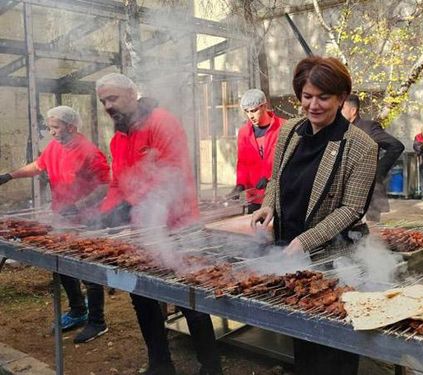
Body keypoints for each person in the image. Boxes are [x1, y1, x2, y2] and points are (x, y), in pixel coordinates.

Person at [251, 56, 378, 375]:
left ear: (340, 97)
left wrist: (305, 241)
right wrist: (268, 204)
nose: (314, 105)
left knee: (336, 344)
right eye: (307, 96)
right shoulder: (290, 131)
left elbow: (352, 208)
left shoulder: (360, 145)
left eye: (323, 97)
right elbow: (277, 178)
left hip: (336, 257)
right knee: (303, 336)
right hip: (289, 248)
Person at [95, 73, 222, 375]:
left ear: (131, 93)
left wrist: (133, 208)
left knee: (190, 297)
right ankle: (160, 363)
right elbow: (118, 183)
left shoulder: (161, 122)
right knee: (142, 296)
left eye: (112, 98)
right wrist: (107, 212)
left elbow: (171, 177)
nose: (107, 105)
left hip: (180, 227)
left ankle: (211, 365)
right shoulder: (117, 138)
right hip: (143, 231)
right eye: (103, 101)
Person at [0, 106, 110, 343]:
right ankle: (78, 310)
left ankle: (97, 322)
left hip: (87, 219)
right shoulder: (55, 147)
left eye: (55, 127)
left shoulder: (89, 152)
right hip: (61, 216)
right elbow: (38, 166)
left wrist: (79, 206)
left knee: (88, 271)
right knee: (60, 265)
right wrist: (10, 175)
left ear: (70, 127)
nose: (51, 132)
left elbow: (104, 185)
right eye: (50, 127)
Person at [341, 94, 404, 221]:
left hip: (369, 190)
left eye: (342, 109)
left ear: (353, 111)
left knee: (371, 231)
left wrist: (378, 170)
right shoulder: (340, 129)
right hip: (345, 191)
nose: (338, 112)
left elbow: (396, 146)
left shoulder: (368, 127)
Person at [228, 89, 283, 213]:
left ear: (264, 106)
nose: (250, 116)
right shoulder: (244, 132)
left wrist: (270, 179)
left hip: (278, 196)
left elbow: (288, 161)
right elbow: (242, 162)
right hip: (254, 198)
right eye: (247, 111)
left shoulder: (282, 128)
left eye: (253, 111)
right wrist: (240, 185)